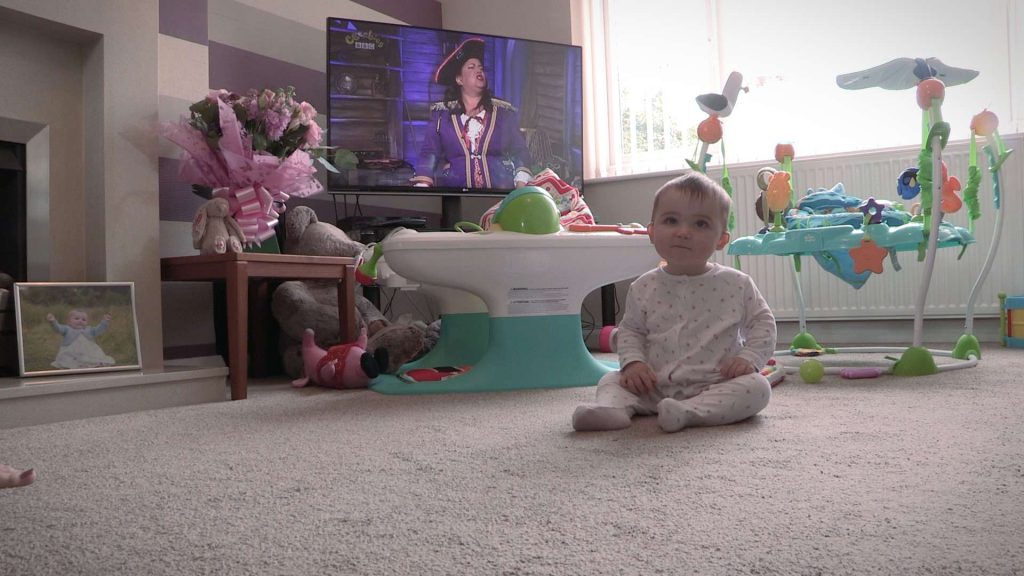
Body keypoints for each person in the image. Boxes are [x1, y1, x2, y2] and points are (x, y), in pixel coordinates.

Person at [573, 172, 776, 433]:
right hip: (652, 385)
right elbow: (631, 331)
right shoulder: (643, 286)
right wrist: (634, 364)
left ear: (721, 240)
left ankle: (689, 412)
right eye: (671, 221)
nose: (683, 232)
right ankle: (614, 410)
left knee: (758, 388)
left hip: (715, 383)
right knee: (611, 379)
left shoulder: (737, 284)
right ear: (652, 232)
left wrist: (750, 357)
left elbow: (763, 323)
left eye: (700, 224)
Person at [410, 37, 532, 190]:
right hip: (455, 197)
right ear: (459, 79)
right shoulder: (442, 117)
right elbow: (429, 153)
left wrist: (520, 183)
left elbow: (519, 150)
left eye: (480, 67)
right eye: (471, 67)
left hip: (499, 196)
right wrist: (423, 183)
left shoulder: (503, 114)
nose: (479, 70)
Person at [47, 309, 115, 370]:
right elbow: (58, 328)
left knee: (92, 360)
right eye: (76, 318)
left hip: (88, 352)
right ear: (69, 322)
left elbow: (99, 329)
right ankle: (69, 368)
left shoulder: (89, 330)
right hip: (71, 353)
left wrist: (105, 321)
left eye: (84, 320)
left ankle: (93, 367)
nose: (80, 321)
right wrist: (53, 321)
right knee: (68, 362)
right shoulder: (67, 329)